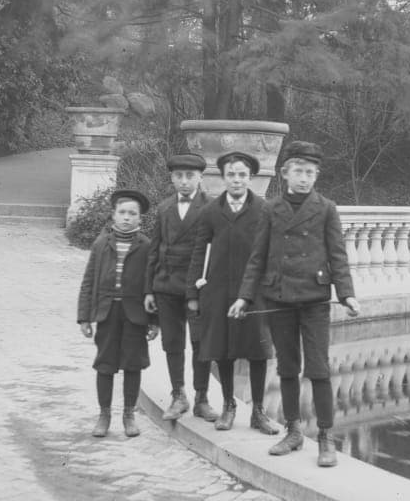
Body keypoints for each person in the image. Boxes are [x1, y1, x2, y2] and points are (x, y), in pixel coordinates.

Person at [229, 141, 361, 467]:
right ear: (285, 173)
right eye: (299, 171)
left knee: (318, 369)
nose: (304, 178)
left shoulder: (327, 208)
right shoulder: (270, 209)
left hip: (315, 300)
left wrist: (346, 294)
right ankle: (293, 431)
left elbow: (338, 255)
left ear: (317, 176)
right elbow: (257, 257)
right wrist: (245, 296)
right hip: (280, 298)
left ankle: (326, 438)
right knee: (288, 367)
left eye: (310, 173)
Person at [186, 152, 280, 435]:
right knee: (223, 350)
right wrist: (193, 292)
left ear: (250, 178)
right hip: (218, 292)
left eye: (242, 175)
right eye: (231, 174)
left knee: (257, 351)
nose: (237, 180)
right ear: (223, 177)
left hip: (254, 293)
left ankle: (259, 412)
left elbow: (273, 253)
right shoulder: (210, 212)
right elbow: (198, 252)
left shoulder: (265, 210)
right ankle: (228, 405)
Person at [77, 188, 159, 438]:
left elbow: (153, 284)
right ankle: (104, 414)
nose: (126, 218)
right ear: (113, 215)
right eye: (122, 212)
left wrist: (154, 321)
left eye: (132, 213)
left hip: (135, 314)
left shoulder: (146, 246)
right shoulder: (102, 243)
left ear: (140, 218)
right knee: (105, 363)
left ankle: (129, 415)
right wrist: (84, 317)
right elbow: (89, 279)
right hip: (107, 312)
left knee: (133, 365)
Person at [143, 153, 219, 422]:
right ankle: (178, 395)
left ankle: (202, 398)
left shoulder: (211, 207)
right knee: (172, 343)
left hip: (197, 289)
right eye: (178, 176)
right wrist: (150, 289)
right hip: (166, 287)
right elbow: (154, 251)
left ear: (200, 177)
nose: (184, 182)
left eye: (190, 176)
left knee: (200, 343)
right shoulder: (164, 208)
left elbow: (216, 251)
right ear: (172, 178)